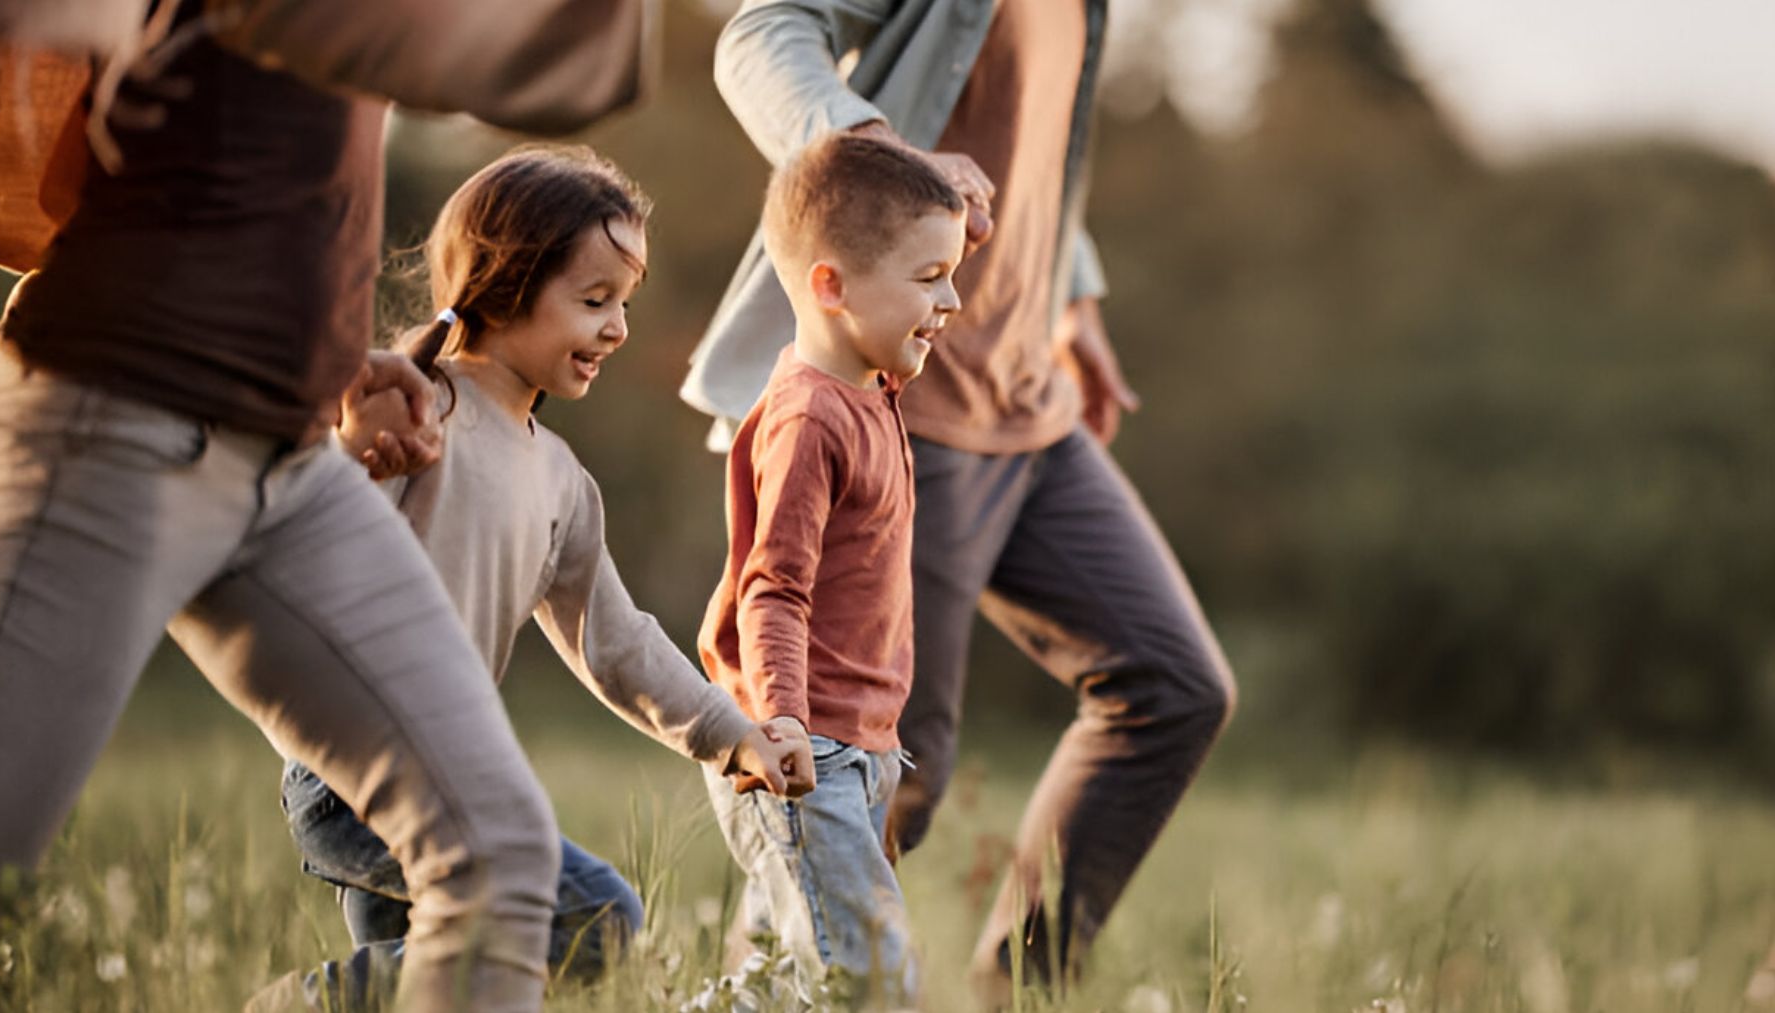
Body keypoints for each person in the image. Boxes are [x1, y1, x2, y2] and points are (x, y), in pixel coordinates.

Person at [0, 1, 654, 1009]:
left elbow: (257, 172)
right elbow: (548, 65)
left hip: (288, 456)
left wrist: (329, 357)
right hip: (109, 420)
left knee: (501, 863)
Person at [679, 0, 1238, 995]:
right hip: (903, 412)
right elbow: (761, 31)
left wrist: (1072, 298)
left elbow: (1028, 152)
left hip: (1031, 400)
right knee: (885, 773)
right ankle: (781, 989)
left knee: (1173, 683)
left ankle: (1016, 990)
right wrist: (872, 145)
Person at [264, 146, 814, 1004]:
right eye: (594, 301)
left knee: (449, 994)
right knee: (594, 918)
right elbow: (302, 533)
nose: (618, 329)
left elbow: (618, 642)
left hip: (444, 764)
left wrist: (731, 729)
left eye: (623, 305)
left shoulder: (561, 481)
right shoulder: (415, 405)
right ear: (506, 284)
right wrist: (351, 451)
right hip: (355, 765)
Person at [697, 132, 966, 1004]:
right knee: (874, 981)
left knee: (776, 983)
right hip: (802, 744)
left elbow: (893, 258)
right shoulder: (810, 418)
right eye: (932, 279)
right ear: (831, 287)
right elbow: (772, 586)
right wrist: (779, 718)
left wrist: (933, 256)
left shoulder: (873, 384)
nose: (952, 299)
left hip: (859, 745)